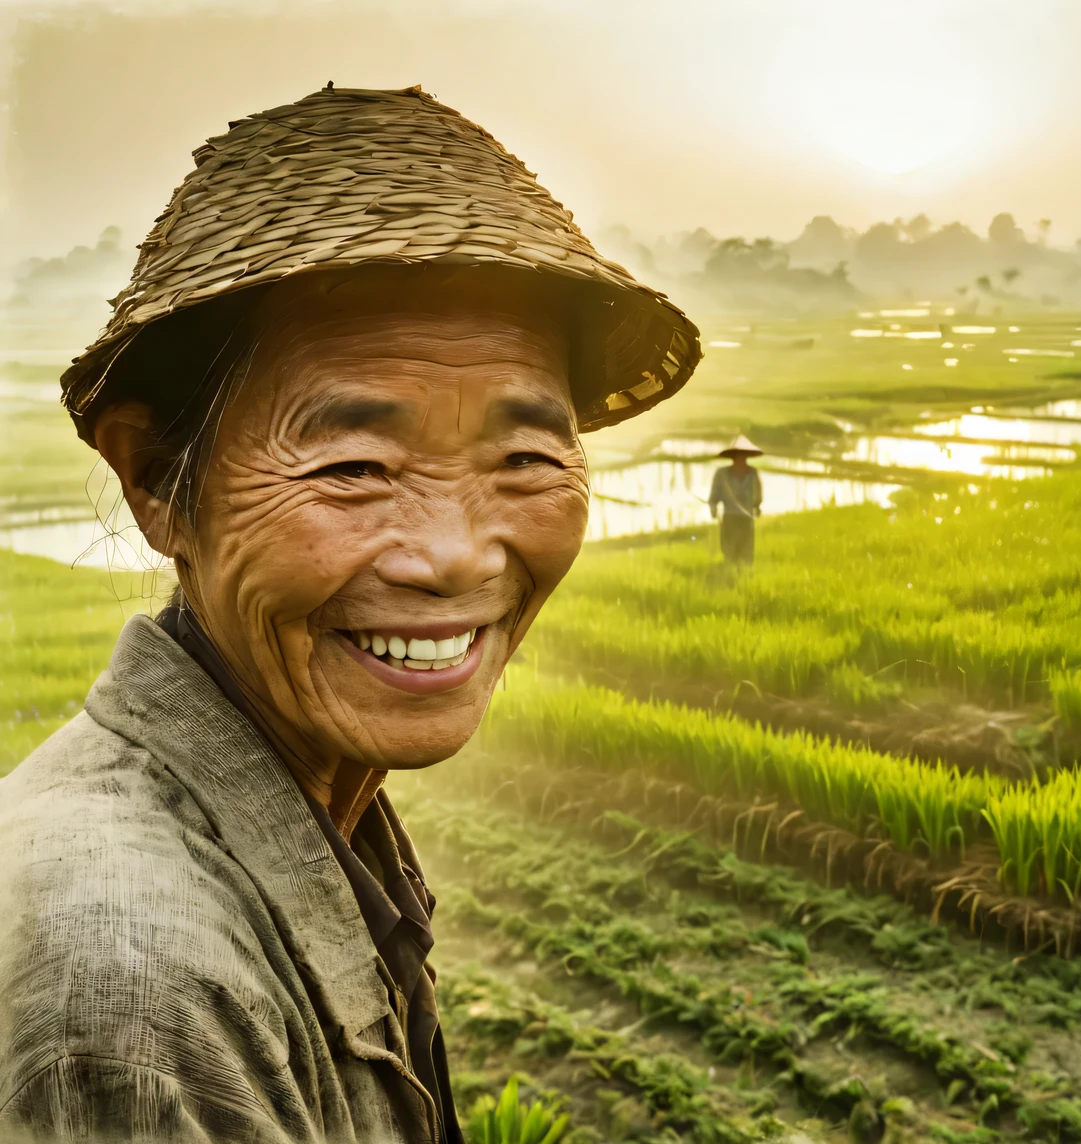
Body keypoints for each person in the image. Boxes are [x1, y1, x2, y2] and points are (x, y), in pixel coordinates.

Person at [0, 86, 700, 1143]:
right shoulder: (133, 988)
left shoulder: (311, 797)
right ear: (154, 482)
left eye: (523, 458)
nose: (456, 554)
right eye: (356, 465)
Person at [708, 434, 764, 564]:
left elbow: (758, 495)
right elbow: (714, 496)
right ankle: (729, 574)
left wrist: (757, 506)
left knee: (746, 551)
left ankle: (745, 578)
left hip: (747, 517)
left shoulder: (752, 473)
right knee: (730, 551)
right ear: (732, 458)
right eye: (737, 456)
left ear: (747, 457)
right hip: (730, 517)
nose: (740, 459)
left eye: (743, 456)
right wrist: (713, 508)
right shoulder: (722, 474)